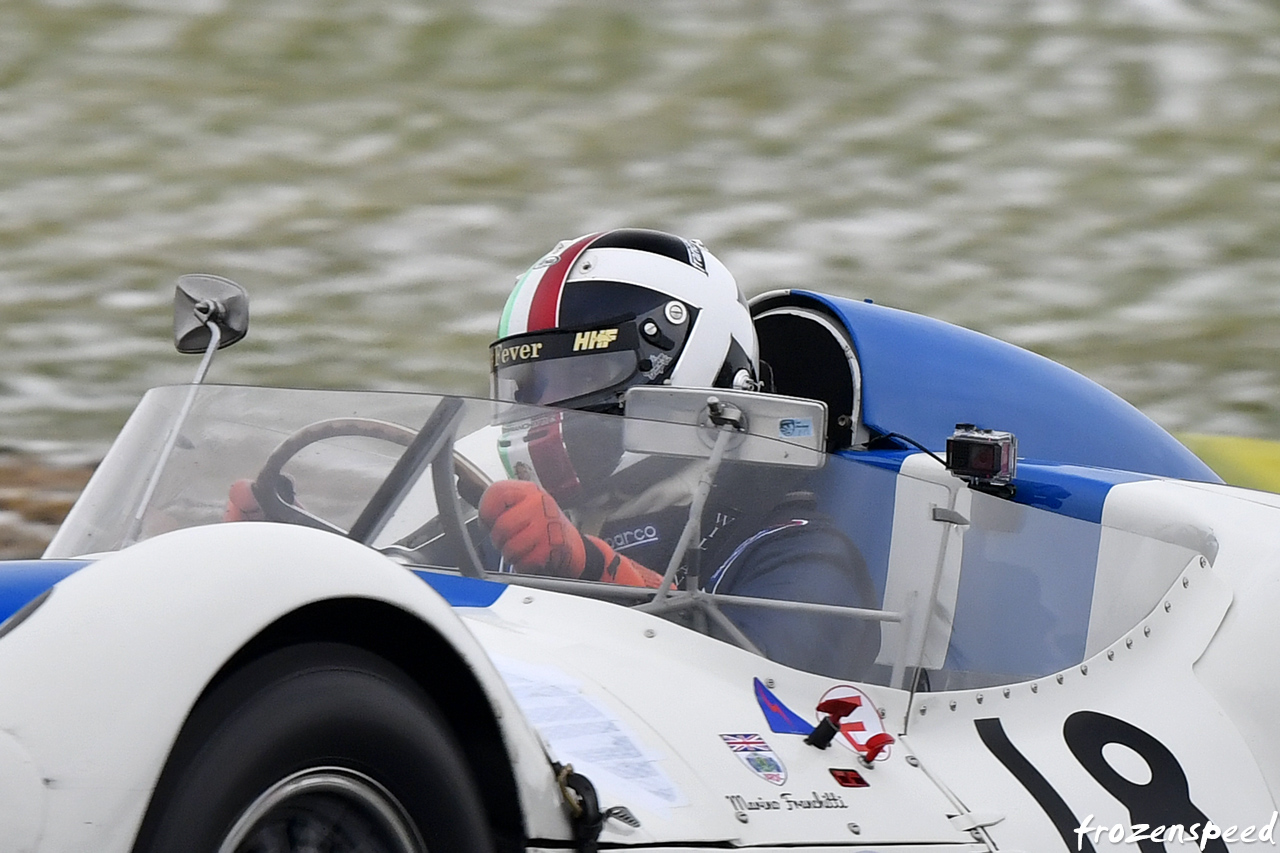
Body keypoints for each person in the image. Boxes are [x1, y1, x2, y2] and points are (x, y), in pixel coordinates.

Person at [479, 228, 880, 677]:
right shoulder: (510, 528)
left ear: (694, 366)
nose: (544, 407)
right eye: (531, 385)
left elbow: (763, 694)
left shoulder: (798, 553)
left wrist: (593, 571)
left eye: (582, 374)